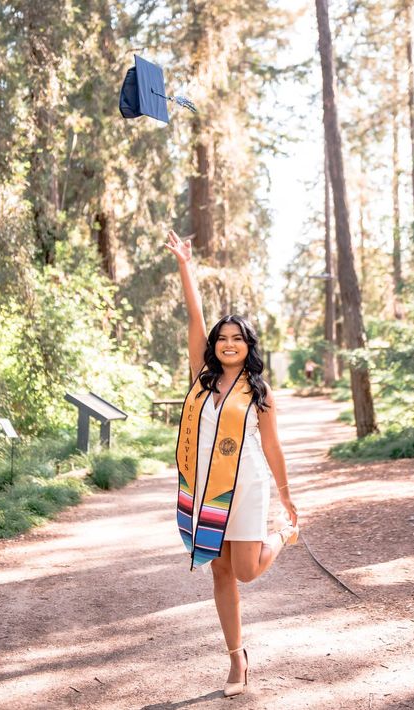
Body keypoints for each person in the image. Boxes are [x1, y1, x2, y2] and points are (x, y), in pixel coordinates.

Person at [165, 229, 300, 697]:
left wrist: (286, 499)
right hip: (205, 488)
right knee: (220, 572)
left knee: (244, 570)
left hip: (246, 487)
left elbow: (273, 447)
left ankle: (281, 537)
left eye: (236, 338)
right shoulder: (200, 381)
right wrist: (186, 265)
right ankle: (237, 659)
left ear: (248, 346)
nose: (226, 344)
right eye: (221, 338)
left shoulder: (259, 393)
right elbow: (195, 317)